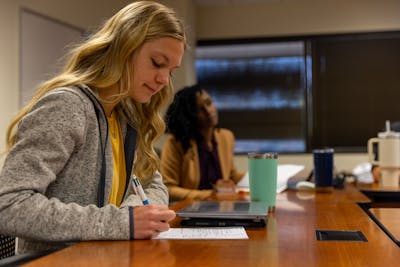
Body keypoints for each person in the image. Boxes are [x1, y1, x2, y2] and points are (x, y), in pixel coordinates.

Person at [0, 1, 186, 254]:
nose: (164, 80)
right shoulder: (68, 106)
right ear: (123, 49)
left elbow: (154, 186)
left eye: (171, 71)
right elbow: (9, 205)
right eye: (156, 62)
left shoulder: (126, 115)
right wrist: (123, 222)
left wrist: (133, 215)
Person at [160, 84, 245, 201]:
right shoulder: (175, 143)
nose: (208, 111)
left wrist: (260, 178)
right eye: (199, 109)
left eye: (209, 103)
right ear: (189, 115)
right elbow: (168, 188)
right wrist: (210, 194)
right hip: (191, 209)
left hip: (222, 206)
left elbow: (231, 175)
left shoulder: (226, 136)